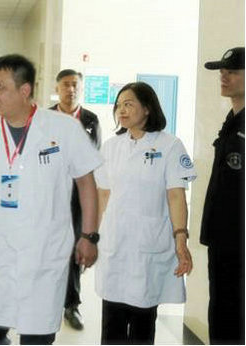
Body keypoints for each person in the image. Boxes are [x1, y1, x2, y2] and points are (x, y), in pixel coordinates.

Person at [0, 54, 102, 345]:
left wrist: (89, 236)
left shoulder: (63, 129)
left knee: (38, 335)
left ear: (25, 90)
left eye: (0, 87)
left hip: (46, 250)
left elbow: (86, 183)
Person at [94, 82, 196, 345]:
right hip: (115, 244)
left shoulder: (170, 145)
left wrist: (181, 238)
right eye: (119, 105)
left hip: (149, 246)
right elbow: (103, 195)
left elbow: (176, 195)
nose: (121, 110)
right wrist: (92, 235)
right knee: (112, 324)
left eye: (129, 104)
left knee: (143, 323)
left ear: (148, 108)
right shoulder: (110, 147)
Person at [49, 69, 101, 331]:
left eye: (75, 85)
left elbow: (94, 159)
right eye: (66, 85)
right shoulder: (44, 118)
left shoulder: (90, 120)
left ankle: (72, 304)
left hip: (78, 197)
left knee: (74, 250)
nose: (71, 90)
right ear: (57, 88)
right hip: (48, 196)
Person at [201, 47, 245, 345]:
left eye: (232, 72)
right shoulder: (232, 120)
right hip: (223, 240)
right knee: (221, 310)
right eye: (222, 72)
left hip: (239, 242)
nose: (223, 77)